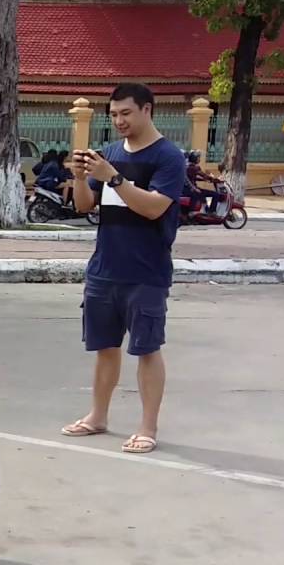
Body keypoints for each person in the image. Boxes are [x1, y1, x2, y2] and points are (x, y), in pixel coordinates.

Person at [62, 82, 186, 454]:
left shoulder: (168, 157)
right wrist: (81, 177)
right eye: (114, 114)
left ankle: (147, 427)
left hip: (146, 271)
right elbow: (85, 206)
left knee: (147, 348)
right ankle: (97, 416)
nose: (119, 121)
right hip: (104, 268)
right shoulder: (111, 154)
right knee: (105, 347)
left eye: (126, 113)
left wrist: (114, 178)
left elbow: (153, 207)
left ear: (147, 110)